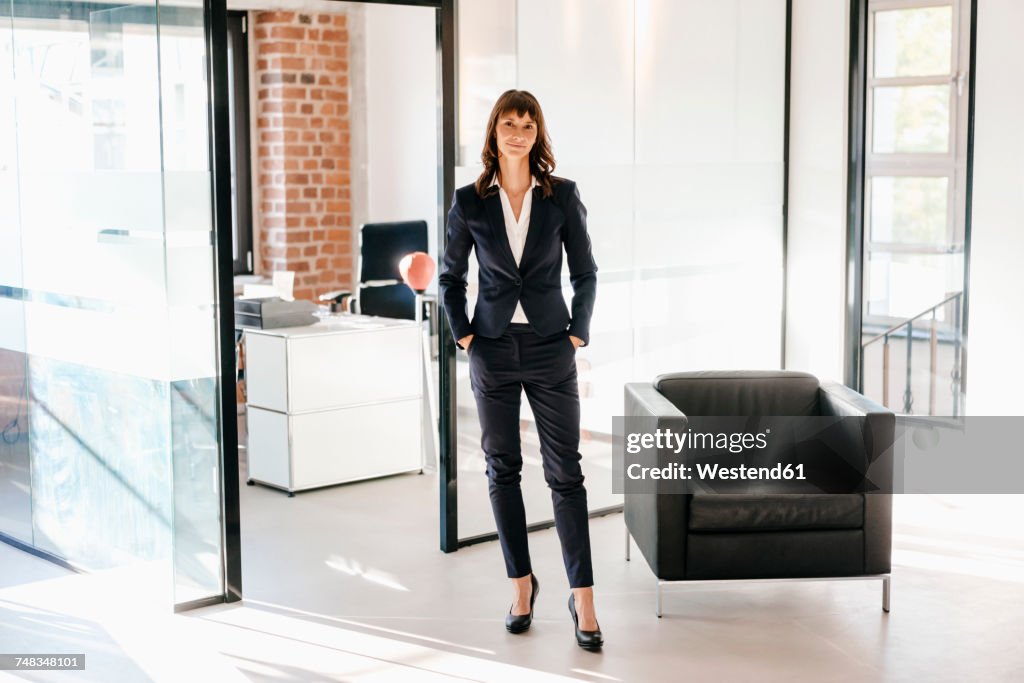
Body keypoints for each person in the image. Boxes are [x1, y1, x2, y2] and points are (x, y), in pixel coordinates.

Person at [438, 89, 602, 650]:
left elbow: (586, 272)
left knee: (566, 473)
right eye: (509, 123)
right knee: (501, 469)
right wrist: (464, 335)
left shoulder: (562, 196)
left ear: (538, 135)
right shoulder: (469, 201)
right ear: (494, 131)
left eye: (528, 125)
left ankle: (583, 597)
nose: (518, 132)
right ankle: (521, 586)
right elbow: (450, 278)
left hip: (552, 346)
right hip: (492, 348)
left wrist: (578, 330)